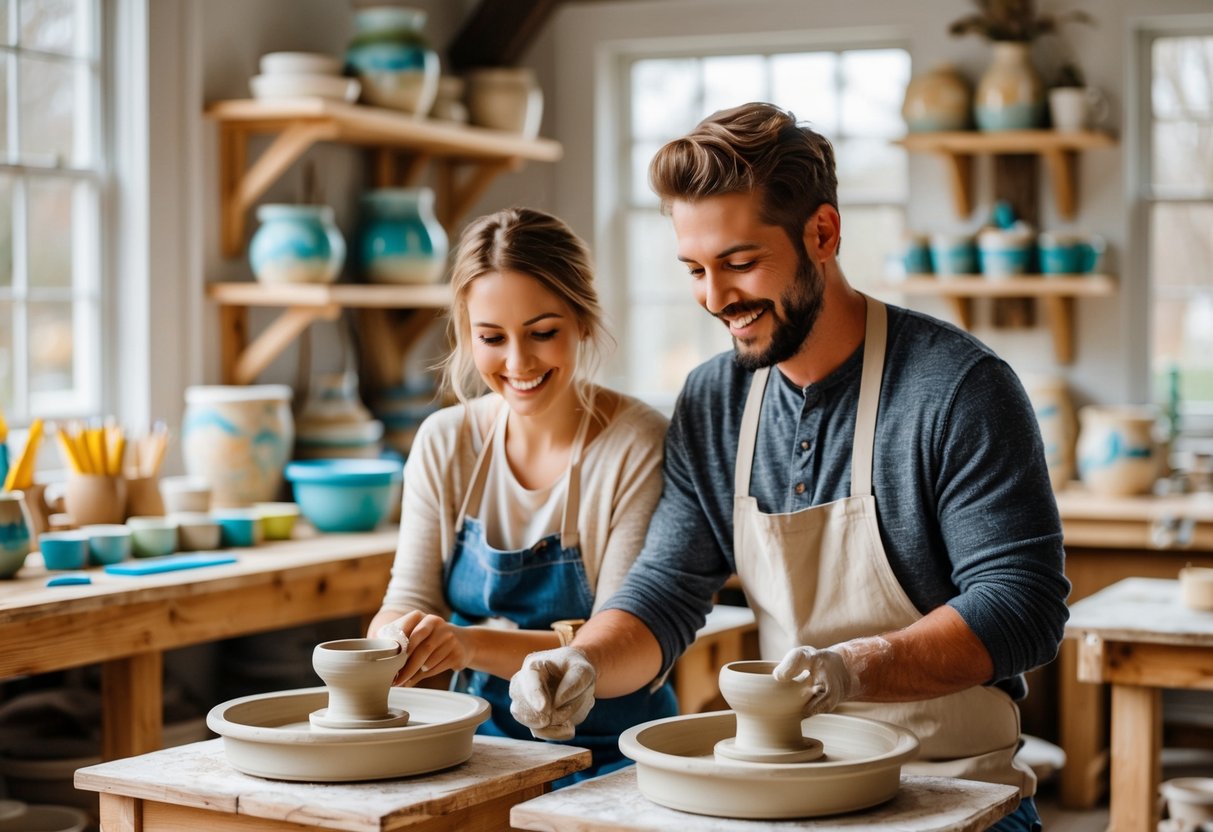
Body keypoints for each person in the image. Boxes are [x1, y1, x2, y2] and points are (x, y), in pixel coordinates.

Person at [508, 103, 1070, 830]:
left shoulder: (955, 388)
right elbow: (666, 591)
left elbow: (1024, 608)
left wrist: (852, 668)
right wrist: (582, 663)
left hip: (957, 794)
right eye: (695, 270)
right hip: (789, 790)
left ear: (823, 233)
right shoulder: (715, 397)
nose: (715, 299)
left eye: (740, 263)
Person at [368, 206, 678, 786]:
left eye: (542, 333)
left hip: (614, 750)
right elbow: (408, 596)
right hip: (476, 743)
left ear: (582, 320)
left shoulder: (636, 444)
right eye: (491, 337)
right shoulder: (445, 441)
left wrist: (465, 644)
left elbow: (616, 640)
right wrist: (393, 639)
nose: (518, 362)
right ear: (465, 332)